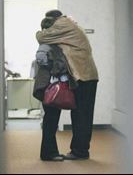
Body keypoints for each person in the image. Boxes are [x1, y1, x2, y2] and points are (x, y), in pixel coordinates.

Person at [36, 10, 99, 161]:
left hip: (82, 76)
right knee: (82, 114)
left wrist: (40, 31)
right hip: (86, 74)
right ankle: (80, 150)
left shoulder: (63, 23)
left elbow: (41, 37)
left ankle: (80, 151)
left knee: (80, 115)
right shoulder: (71, 25)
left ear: (54, 19)